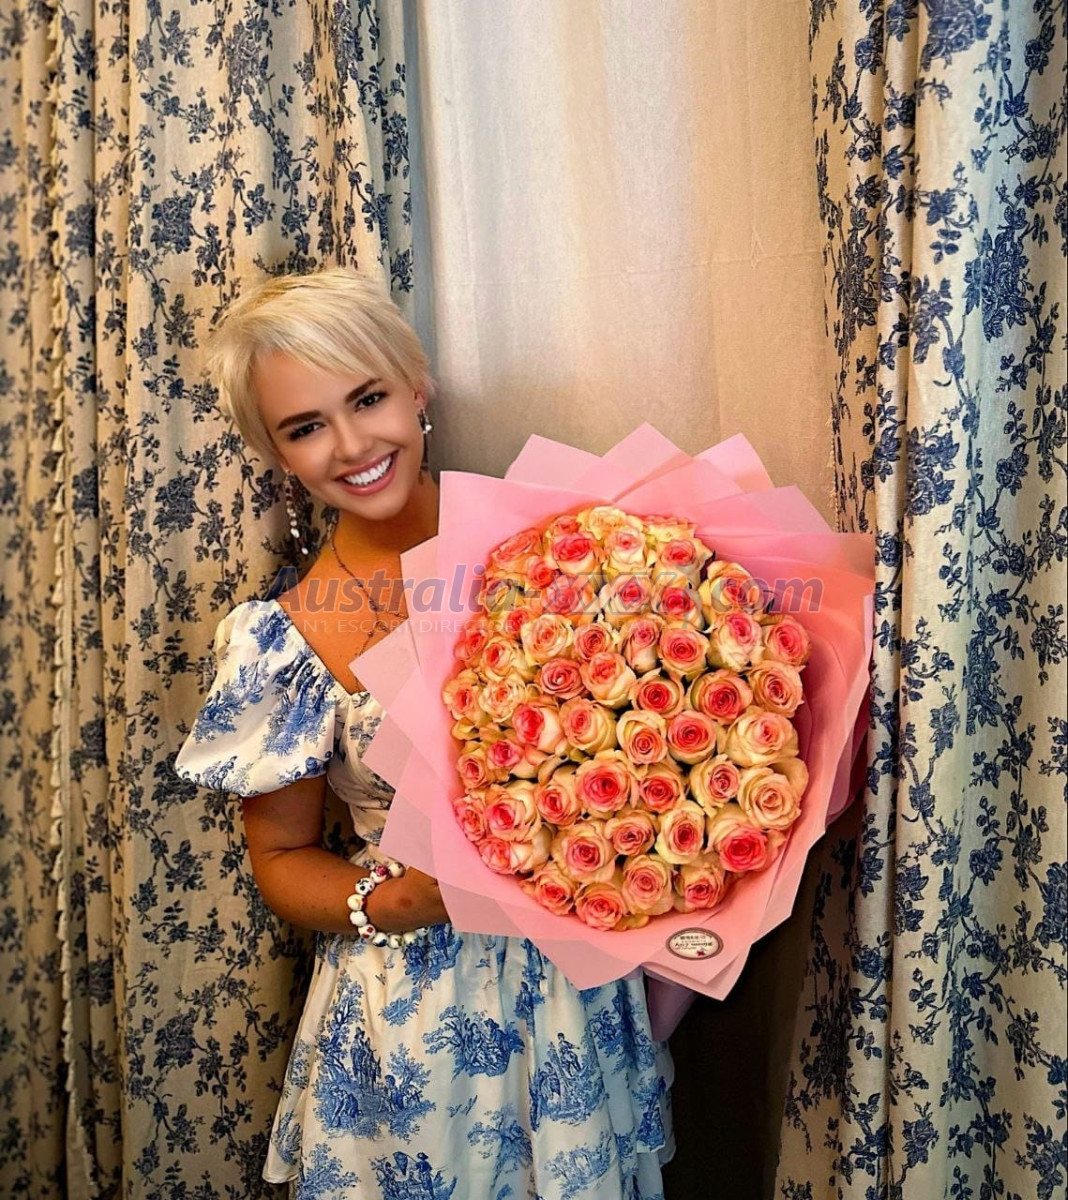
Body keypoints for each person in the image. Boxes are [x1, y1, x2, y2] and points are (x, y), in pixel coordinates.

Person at [174, 268, 675, 1199]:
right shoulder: (278, 639)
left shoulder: (562, 547)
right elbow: (279, 858)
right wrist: (398, 901)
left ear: (417, 386)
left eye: (367, 399)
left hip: (576, 994)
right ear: (277, 453)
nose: (352, 445)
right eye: (306, 426)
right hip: (407, 1027)